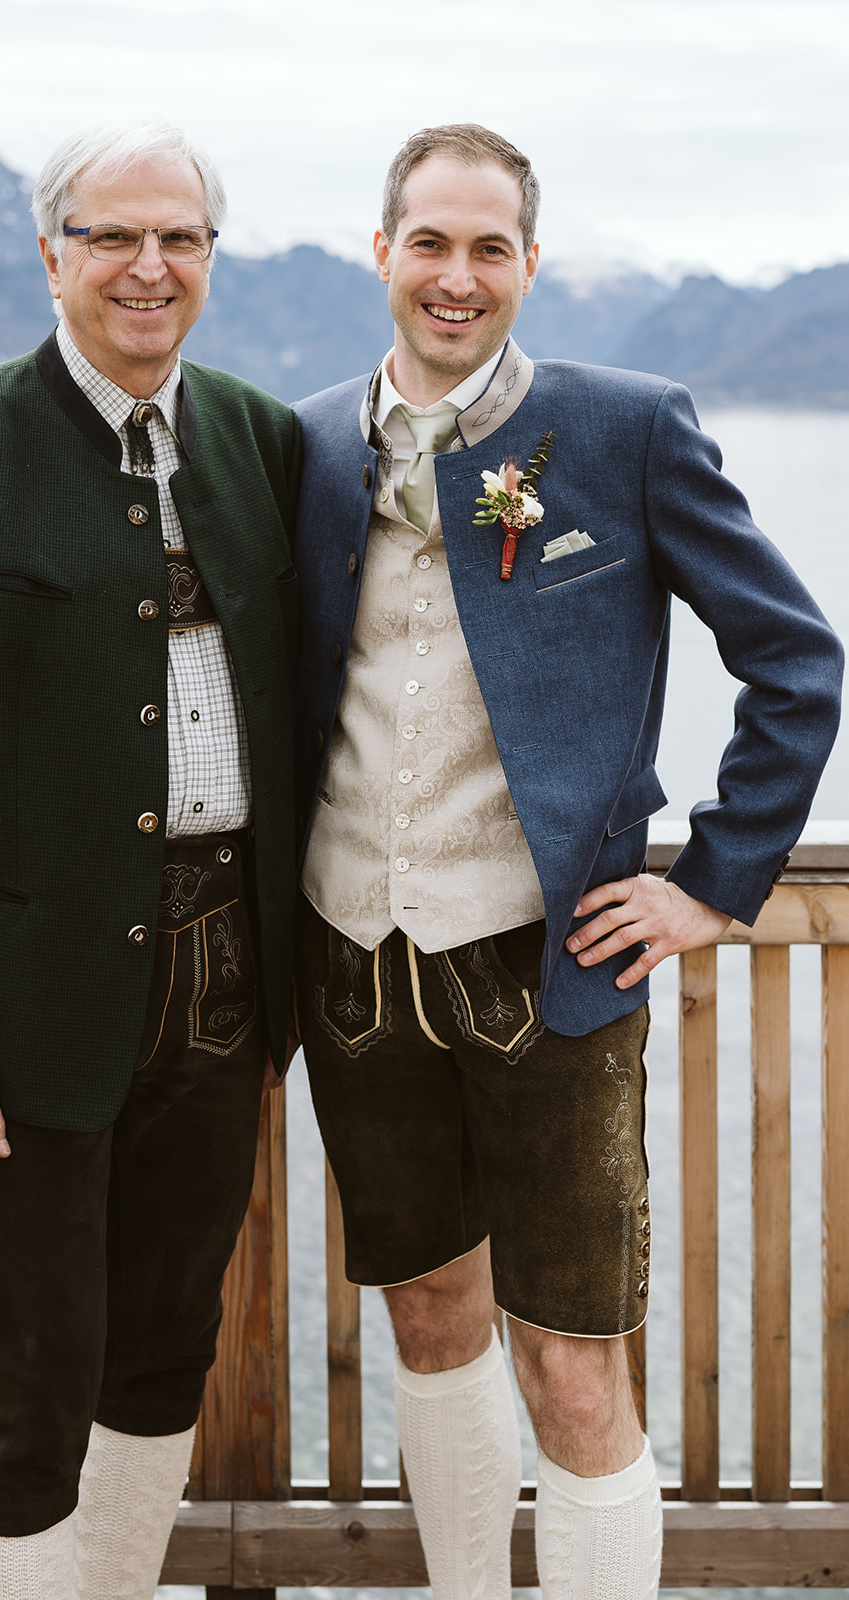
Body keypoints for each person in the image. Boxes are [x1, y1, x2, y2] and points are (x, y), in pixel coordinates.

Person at [292, 123, 842, 1600]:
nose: (456, 276)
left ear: (530, 263)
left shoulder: (625, 427)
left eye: (489, 247)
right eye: (430, 242)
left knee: (576, 1365)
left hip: (555, 965)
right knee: (425, 1318)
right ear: (383, 252)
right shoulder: (305, 443)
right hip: (350, 963)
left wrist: (716, 884)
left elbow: (795, 660)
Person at [0, 124, 300, 1600]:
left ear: (212, 260)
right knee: (25, 1389)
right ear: (53, 254)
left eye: (180, 239)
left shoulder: (261, 440)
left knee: (165, 1355)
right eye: (112, 236)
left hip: (228, 994)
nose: (148, 267)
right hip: (26, 1012)